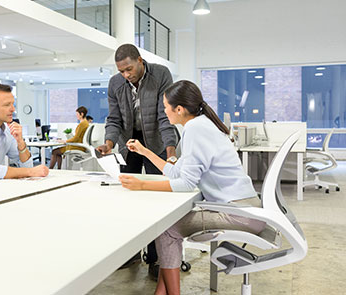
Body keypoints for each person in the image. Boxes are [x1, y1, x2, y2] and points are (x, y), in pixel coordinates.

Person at [119, 80, 265, 295]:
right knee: (168, 227)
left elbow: (186, 183)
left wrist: (142, 184)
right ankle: (161, 292)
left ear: (179, 109)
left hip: (239, 214)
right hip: (247, 209)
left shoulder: (195, 129)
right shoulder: (203, 124)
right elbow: (178, 173)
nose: (164, 111)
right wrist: (145, 152)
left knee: (166, 228)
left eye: (166, 106)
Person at [97, 44, 178, 278]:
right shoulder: (115, 83)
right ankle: (130, 253)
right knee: (128, 199)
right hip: (129, 144)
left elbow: (166, 117)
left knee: (156, 200)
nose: (126, 75)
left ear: (140, 61)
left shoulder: (161, 75)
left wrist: (170, 154)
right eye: (121, 71)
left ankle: (156, 258)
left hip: (157, 143)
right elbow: (113, 118)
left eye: (129, 69)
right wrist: (109, 143)